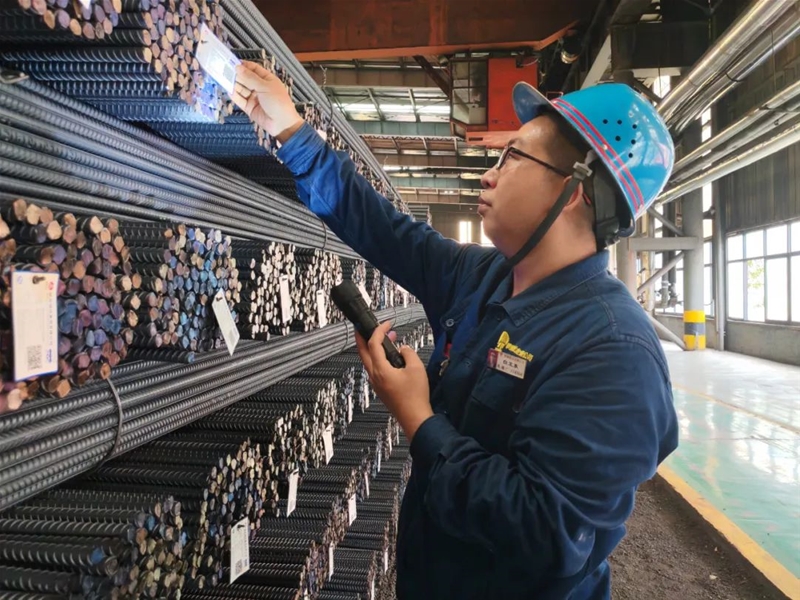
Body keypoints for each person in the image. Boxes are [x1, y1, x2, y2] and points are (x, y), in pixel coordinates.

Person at [233, 61, 679, 600]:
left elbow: (547, 536)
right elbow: (383, 228)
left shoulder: (613, 352)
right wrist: (290, 130)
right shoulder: (484, 276)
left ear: (575, 190)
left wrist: (420, 419)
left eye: (512, 157)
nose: (489, 174)